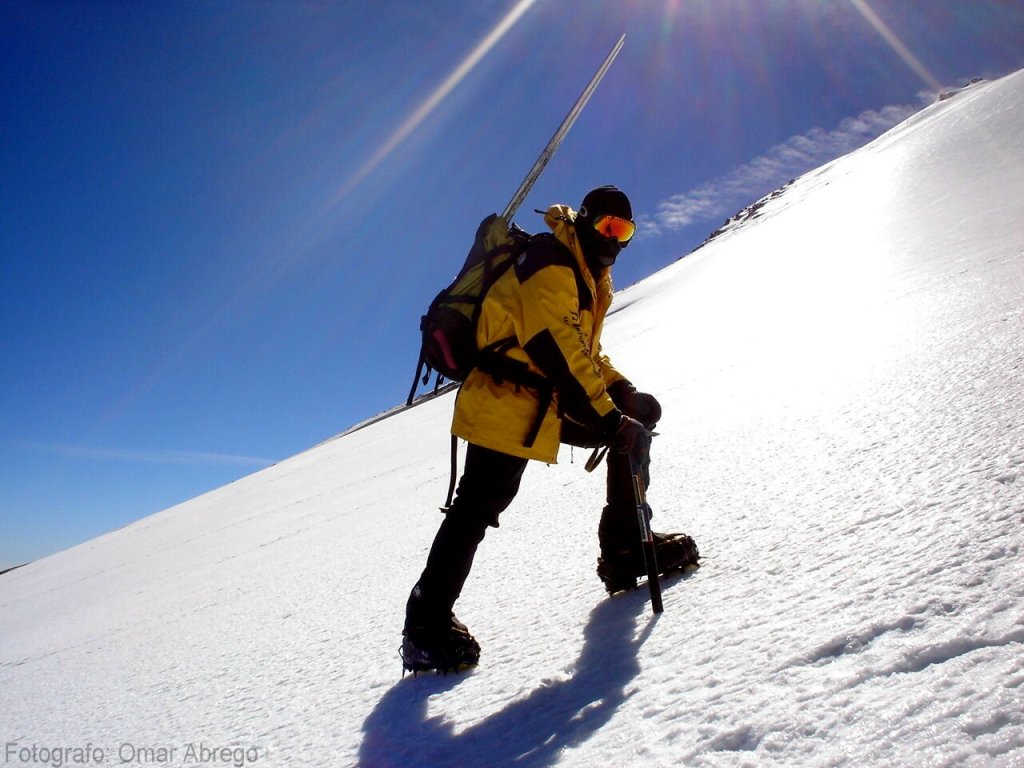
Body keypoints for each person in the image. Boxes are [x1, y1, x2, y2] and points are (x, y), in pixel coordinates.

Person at [401, 186, 699, 673]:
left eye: (625, 231)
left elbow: (585, 351)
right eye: (607, 226)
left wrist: (622, 394)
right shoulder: (549, 259)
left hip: (546, 399)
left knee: (633, 427)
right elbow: (552, 344)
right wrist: (608, 416)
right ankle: (424, 628)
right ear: (584, 220)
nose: (614, 239)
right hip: (505, 394)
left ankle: (624, 550)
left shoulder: (589, 275)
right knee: (479, 505)